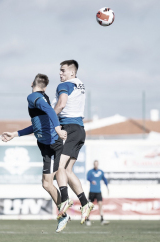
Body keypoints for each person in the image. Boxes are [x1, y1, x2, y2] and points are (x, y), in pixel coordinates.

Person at [0, 73, 70, 233]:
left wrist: (58, 129)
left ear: (32, 83)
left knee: (49, 181)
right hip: (46, 145)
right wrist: (15, 134)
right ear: (45, 86)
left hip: (52, 144)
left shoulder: (33, 97)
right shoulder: (43, 97)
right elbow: (37, 125)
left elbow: (50, 111)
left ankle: (64, 209)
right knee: (46, 183)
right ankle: (64, 209)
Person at [52, 60, 94, 224]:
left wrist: (51, 119)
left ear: (72, 72)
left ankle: (64, 200)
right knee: (68, 171)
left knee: (59, 168)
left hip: (69, 128)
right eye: (60, 71)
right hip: (80, 130)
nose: (60, 73)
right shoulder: (80, 84)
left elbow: (61, 104)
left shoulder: (65, 85)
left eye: (63, 70)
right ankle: (85, 203)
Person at [85, 160, 110, 226]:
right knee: (89, 206)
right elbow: (88, 178)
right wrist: (91, 181)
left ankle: (102, 219)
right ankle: (87, 219)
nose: (96, 165)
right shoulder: (90, 172)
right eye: (95, 164)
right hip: (92, 191)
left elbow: (104, 179)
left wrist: (107, 187)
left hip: (98, 191)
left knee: (100, 204)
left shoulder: (101, 172)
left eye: (97, 164)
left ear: (98, 164)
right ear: (93, 164)